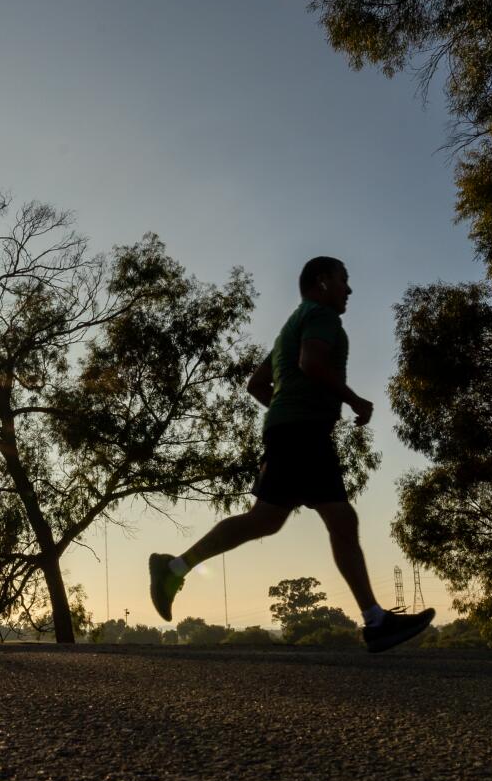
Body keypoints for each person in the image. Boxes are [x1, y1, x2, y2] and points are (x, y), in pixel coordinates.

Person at [148, 256, 434, 653]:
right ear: (322, 282)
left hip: (291, 430)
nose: (348, 290)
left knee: (266, 520)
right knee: (339, 517)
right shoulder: (321, 317)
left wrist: (287, 409)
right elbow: (311, 363)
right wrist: (353, 401)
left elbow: (257, 384)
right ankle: (375, 621)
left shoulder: (290, 326)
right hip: (303, 433)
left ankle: (173, 567)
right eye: (343, 280)